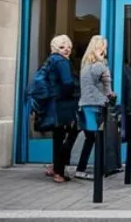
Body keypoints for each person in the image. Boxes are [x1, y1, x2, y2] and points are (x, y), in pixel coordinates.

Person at [74, 35, 114, 180]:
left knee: (90, 138)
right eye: (102, 47)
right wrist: (109, 94)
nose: (104, 50)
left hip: (85, 105)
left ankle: (81, 169)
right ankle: (98, 170)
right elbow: (106, 83)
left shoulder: (85, 64)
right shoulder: (98, 65)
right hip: (95, 105)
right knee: (97, 137)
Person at [44, 35, 80, 183]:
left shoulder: (51, 60)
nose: (67, 50)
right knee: (70, 134)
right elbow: (67, 83)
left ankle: (56, 167)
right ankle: (59, 170)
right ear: (55, 48)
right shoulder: (62, 62)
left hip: (56, 103)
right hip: (65, 104)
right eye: (62, 47)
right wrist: (72, 94)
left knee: (58, 136)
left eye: (69, 47)